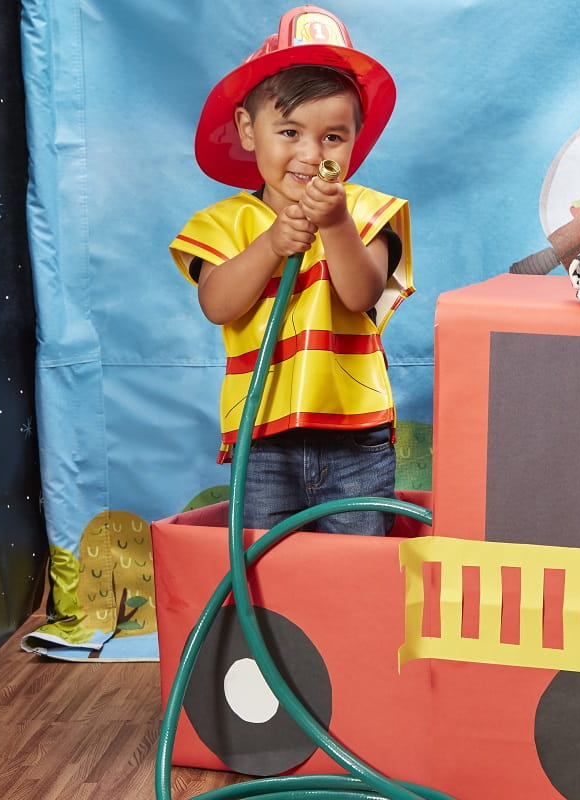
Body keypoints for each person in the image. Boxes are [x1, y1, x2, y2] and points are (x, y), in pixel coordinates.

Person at [170, 6, 412, 535]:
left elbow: (359, 295)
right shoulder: (223, 223)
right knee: (265, 567)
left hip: (356, 436)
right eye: (289, 131)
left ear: (355, 137)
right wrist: (273, 244)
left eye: (332, 137)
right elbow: (217, 305)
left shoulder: (369, 213)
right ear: (248, 130)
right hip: (260, 439)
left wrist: (336, 224)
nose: (311, 153)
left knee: (352, 571)